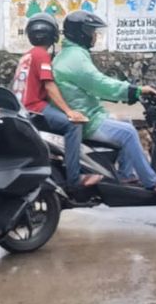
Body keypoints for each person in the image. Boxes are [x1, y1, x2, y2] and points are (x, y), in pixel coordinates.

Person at [52, 10, 156, 197]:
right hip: (85, 119)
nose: (94, 35)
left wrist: (124, 93)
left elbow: (90, 86)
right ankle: (152, 181)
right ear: (81, 32)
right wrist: (134, 90)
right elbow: (99, 83)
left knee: (126, 122)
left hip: (88, 112)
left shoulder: (72, 54)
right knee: (127, 133)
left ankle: (125, 175)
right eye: (91, 31)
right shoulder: (74, 58)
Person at [13, 14, 102, 191]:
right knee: (73, 125)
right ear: (54, 35)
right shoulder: (42, 56)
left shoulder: (27, 56)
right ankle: (74, 178)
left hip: (21, 109)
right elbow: (49, 85)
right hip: (34, 108)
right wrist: (69, 112)